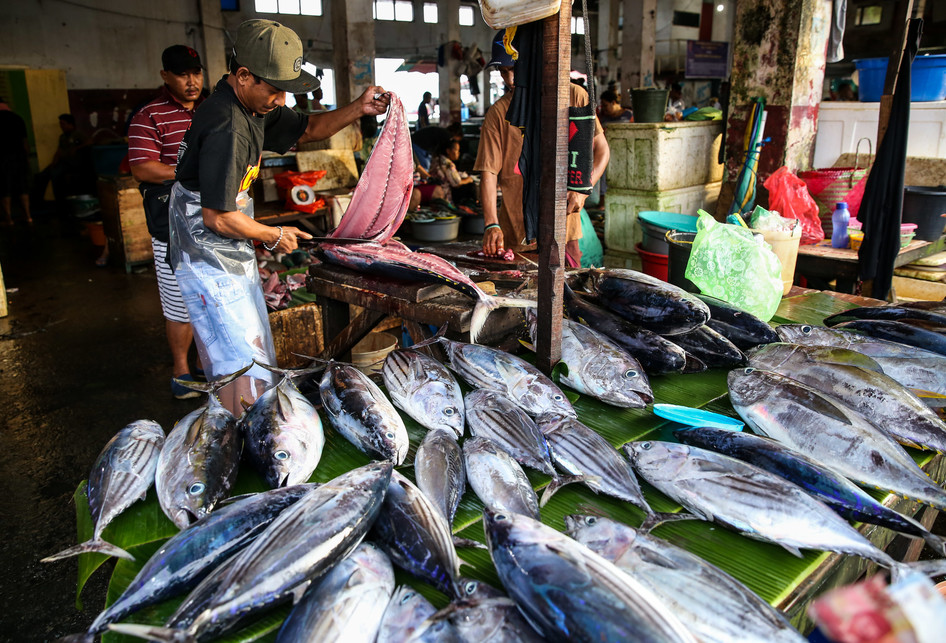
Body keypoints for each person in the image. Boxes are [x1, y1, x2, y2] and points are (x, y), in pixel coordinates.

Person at [168, 19, 390, 415]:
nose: (281, 100)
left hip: (227, 242)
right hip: (207, 248)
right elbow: (217, 217)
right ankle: (245, 430)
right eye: (275, 90)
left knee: (251, 343)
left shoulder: (253, 103)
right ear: (244, 76)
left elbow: (309, 128)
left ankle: (252, 417)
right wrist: (273, 234)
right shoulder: (228, 126)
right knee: (239, 355)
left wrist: (360, 107)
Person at [475, 32, 609, 267]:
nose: (510, 80)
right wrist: (491, 224)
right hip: (517, 231)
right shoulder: (498, 113)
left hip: (564, 227)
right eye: (503, 72)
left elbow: (602, 150)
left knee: (567, 286)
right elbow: (489, 172)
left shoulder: (575, 96)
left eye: (514, 69)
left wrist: (582, 190)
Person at [127, 44, 205, 399]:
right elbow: (142, 167)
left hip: (212, 220)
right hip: (171, 223)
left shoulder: (211, 110)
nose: (191, 82)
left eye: (196, 73)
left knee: (208, 297)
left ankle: (205, 364)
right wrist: (190, 173)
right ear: (165, 76)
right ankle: (181, 373)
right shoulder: (149, 116)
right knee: (179, 303)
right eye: (182, 74)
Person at [33, 113, 92, 209]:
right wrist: (53, 163)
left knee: (55, 175)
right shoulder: (63, 137)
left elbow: (90, 142)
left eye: (63, 124)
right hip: (62, 162)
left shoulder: (77, 134)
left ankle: (60, 202)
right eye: (60, 124)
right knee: (42, 175)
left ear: (70, 124)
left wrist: (77, 148)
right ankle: (38, 202)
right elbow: (59, 151)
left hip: (73, 164)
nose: (61, 126)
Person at [0, 97, 32, 226]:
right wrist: (27, 158)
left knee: (4, 189)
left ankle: (9, 219)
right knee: (22, 187)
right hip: (20, 157)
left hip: (3, 158)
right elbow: (25, 141)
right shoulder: (17, 118)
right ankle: (28, 216)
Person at [429, 138, 476, 205]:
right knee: (470, 186)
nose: (458, 153)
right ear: (448, 151)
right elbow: (456, 183)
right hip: (444, 196)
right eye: (456, 150)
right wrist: (469, 179)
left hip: (433, 191)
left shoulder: (436, 159)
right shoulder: (448, 164)